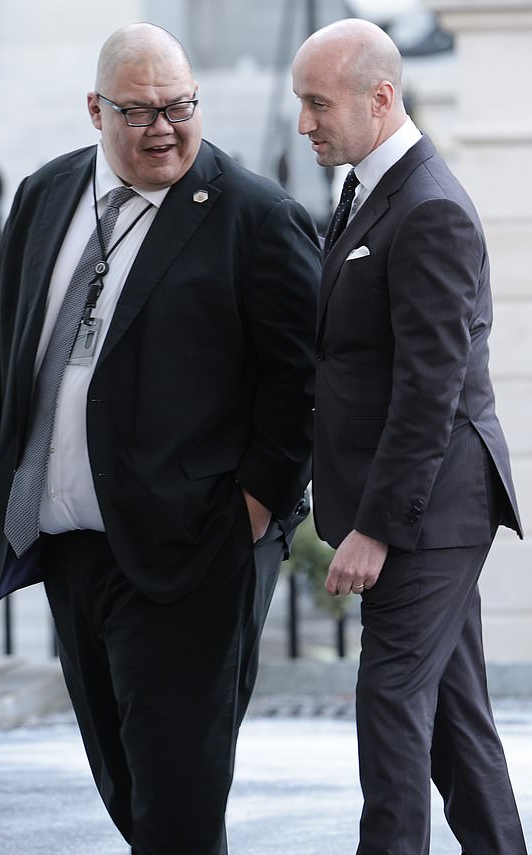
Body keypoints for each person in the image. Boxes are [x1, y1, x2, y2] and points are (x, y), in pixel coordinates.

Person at [0, 23, 321, 855]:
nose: (164, 128)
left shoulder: (256, 215)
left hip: (195, 547)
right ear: (95, 108)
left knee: (177, 791)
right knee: (125, 781)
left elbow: (305, 379)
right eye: (140, 112)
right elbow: (0, 335)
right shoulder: (45, 194)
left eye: (180, 107)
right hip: (72, 547)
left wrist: (252, 507)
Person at [292, 18, 528, 855]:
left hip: (429, 513)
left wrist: (378, 526)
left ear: (380, 98)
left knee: (391, 703)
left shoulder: (429, 208)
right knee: (455, 722)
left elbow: (431, 390)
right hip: (424, 505)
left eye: (319, 104)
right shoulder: (372, 189)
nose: (305, 123)